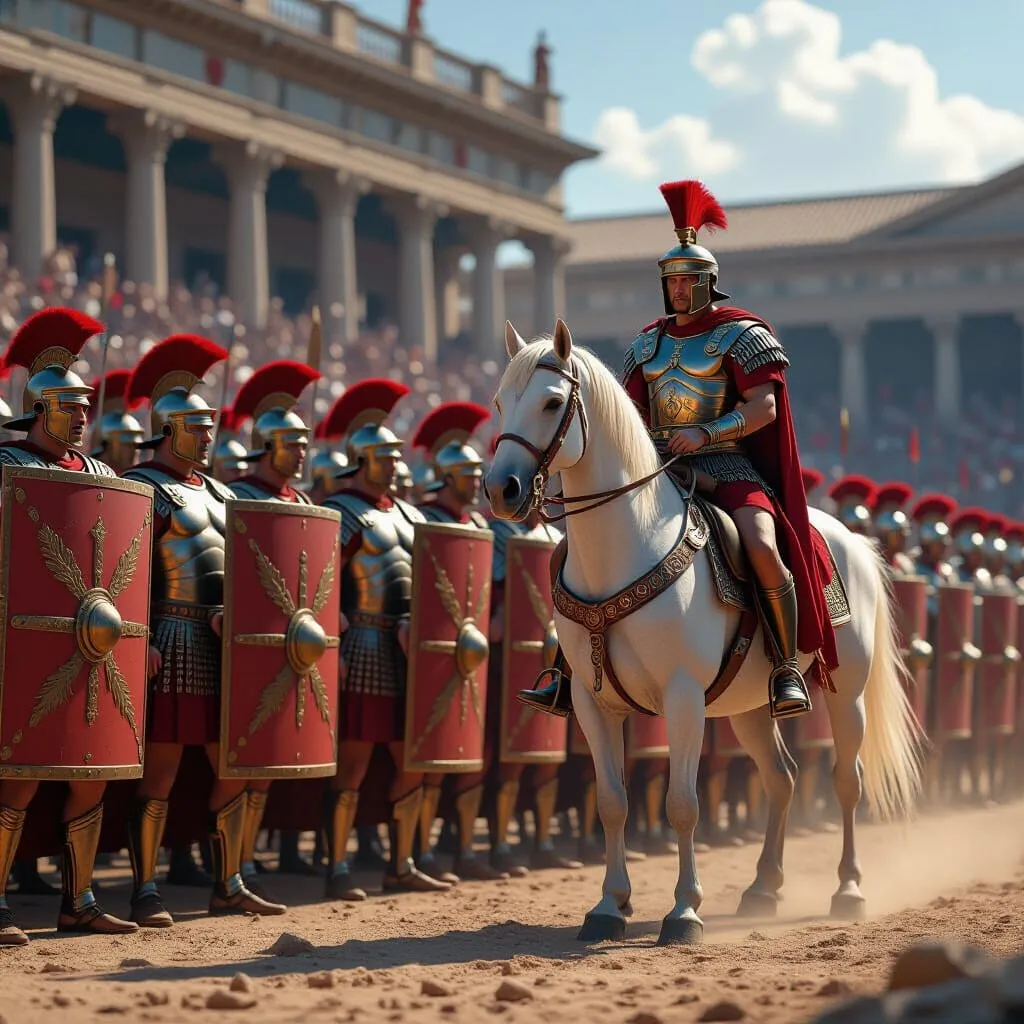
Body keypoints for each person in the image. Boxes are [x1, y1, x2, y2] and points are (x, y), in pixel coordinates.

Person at [521, 178, 837, 721]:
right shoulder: (648, 344)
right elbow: (630, 415)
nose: (679, 291)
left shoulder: (743, 334)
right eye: (671, 281)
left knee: (761, 543)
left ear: (708, 283)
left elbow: (764, 408)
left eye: (688, 280)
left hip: (729, 464)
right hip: (661, 469)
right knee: (569, 553)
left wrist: (708, 434)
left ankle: (785, 664)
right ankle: (563, 666)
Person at [122, 333, 286, 927]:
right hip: (171, 639)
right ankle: (144, 888)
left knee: (234, 765)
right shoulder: (144, 485)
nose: (210, 435)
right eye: (197, 425)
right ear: (169, 428)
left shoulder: (220, 492)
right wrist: (138, 640)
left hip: (224, 646)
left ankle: (229, 881)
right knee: (160, 772)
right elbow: (125, 571)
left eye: (212, 425)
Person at [0, 307, 138, 944]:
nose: (83, 416)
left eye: (85, 406)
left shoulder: (108, 478)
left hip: (92, 641)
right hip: (24, 636)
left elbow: (125, 570)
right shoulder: (8, 469)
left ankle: (78, 899)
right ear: (40, 409)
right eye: (70, 406)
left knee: (94, 766)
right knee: (20, 770)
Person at [320, 379, 451, 897]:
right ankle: (337, 867)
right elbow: (324, 581)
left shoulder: (410, 514)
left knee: (410, 760)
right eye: (386, 457)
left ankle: (402, 864)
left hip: (406, 651)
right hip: (364, 647)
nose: (396, 466)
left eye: (398, 457)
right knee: (351, 764)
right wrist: (334, 636)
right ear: (364, 460)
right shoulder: (344, 510)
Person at [225, 359, 321, 898]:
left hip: (288, 648)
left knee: (264, 765)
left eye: (305, 442)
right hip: (235, 644)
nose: (303, 451)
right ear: (267, 446)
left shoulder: (304, 504)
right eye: (292, 442)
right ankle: (220, 873)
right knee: (228, 764)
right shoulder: (236, 496)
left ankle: (242, 867)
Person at [410, 401, 505, 883]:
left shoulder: (479, 526)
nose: (476, 481)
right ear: (446, 477)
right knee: (427, 753)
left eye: (477, 473)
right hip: (430, 655)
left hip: (473, 656)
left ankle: (466, 848)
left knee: (474, 752)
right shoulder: (422, 519)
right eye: (467, 474)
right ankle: (418, 852)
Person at [872, 482, 915, 574]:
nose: (903, 539)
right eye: (899, 534)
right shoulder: (869, 559)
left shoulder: (905, 565)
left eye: (903, 534)